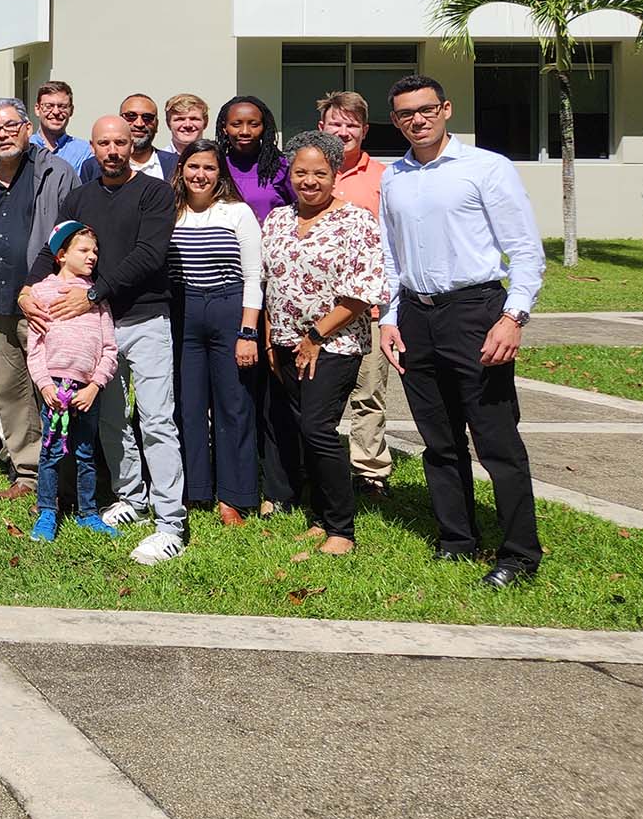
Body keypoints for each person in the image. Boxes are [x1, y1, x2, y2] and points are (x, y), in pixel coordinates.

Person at [380, 75, 546, 588]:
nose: (417, 119)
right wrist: (388, 317)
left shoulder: (486, 168)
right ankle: (457, 539)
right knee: (439, 439)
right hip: (416, 316)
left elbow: (524, 251)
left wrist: (512, 317)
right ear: (397, 120)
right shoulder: (394, 177)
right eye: (406, 113)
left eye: (426, 109)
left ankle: (519, 554)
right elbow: (390, 255)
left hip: (476, 311)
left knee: (496, 440)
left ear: (446, 109)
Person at [28, 116, 185, 567]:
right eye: (104, 143)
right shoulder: (79, 197)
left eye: (120, 141)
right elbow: (52, 249)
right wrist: (26, 290)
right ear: (92, 147)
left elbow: (151, 254)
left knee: (157, 420)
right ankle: (131, 498)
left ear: (132, 143)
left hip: (146, 319)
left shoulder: (155, 192)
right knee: (112, 422)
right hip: (99, 327)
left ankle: (170, 521)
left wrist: (93, 293)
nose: (113, 150)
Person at [260, 131, 387, 556]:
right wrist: (268, 342)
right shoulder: (277, 219)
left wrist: (315, 336)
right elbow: (266, 284)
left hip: (334, 345)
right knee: (302, 430)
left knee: (318, 428)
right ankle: (319, 516)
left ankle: (341, 530)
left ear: (336, 175)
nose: (309, 181)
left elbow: (361, 290)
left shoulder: (356, 221)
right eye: (300, 172)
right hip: (283, 343)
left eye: (319, 173)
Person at [0, 98, 77, 501]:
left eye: (9, 126)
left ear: (27, 128)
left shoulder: (56, 173)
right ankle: (27, 473)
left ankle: (67, 472)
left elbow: (73, 236)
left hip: (45, 304)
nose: (2, 134)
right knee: (10, 389)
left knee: (56, 386)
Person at [168, 139, 263, 525]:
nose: (200, 175)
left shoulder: (237, 213)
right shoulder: (170, 212)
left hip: (227, 309)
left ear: (219, 173)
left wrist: (248, 331)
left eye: (208, 168)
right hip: (183, 312)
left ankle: (234, 497)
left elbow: (255, 276)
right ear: (181, 170)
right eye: (193, 167)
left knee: (234, 406)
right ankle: (195, 490)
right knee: (188, 407)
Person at [21, 222, 118, 542]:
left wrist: (95, 386)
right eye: (84, 250)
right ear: (61, 255)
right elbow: (34, 349)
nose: (93, 257)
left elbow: (109, 348)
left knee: (85, 451)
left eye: (96, 252)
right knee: (50, 452)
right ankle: (47, 511)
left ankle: (88, 513)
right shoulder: (41, 293)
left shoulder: (96, 296)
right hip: (55, 388)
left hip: (87, 390)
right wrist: (46, 386)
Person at [318, 90, 393, 500]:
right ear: (322, 128)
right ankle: (318, 463)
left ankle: (369, 471)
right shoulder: (307, 171)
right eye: (336, 123)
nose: (343, 131)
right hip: (312, 309)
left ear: (364, 131)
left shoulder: (384, 176)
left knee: (368, 393)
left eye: (351, 125)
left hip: (367, 307)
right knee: (316, 396)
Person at [216, 95, 293, 226]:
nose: (245, 131)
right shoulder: (215, 166)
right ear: (225, 128)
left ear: (264, 128)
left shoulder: (281, 167)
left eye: (254, 124)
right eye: (236, 124)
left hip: (268, 244)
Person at [78, 94, 177, 182]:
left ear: (157, 124)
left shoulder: (175, 164)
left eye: (147, 117)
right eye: (130, 116)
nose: (139, 124)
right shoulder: (92, 167)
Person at [29, 81, 88, 172]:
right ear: (37, 109)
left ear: (71, 111)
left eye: (62, 106)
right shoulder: (25, 148)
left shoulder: (84, 152)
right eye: (49, 106)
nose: (56, 112)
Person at [164, 94, 210, 159]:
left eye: (194, 119)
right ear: (168, 123)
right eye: (180, 119)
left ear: (205, 123)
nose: (187, 125)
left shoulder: (217, 160)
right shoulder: (157, 161)